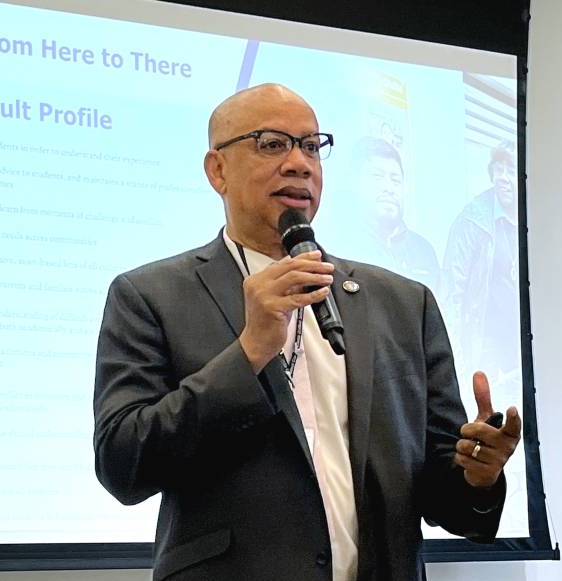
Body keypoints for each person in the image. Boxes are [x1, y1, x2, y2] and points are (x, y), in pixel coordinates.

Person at [93, 84, 520, 581]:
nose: (299, 163)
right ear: (217, 170)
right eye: (272, 144)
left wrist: (478, 475)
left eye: (312, 146)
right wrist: (249, 352)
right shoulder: (150, 295)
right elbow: (124, 464)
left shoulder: (404, 304)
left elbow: (446, 495)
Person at [442, 141, 520, 390]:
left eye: (511, 170)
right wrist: (459, 365)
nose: (504, 178)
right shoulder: (471, 221)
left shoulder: (532, 216)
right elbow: (451, 295)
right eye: (499, 170)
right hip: (485, 348)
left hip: (521, 348)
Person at [341, 137, 440, 291]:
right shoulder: (341, 244)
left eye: (395, 180)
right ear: (355, 183)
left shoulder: (424, 251)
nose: (389, 188)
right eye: (377, 177)